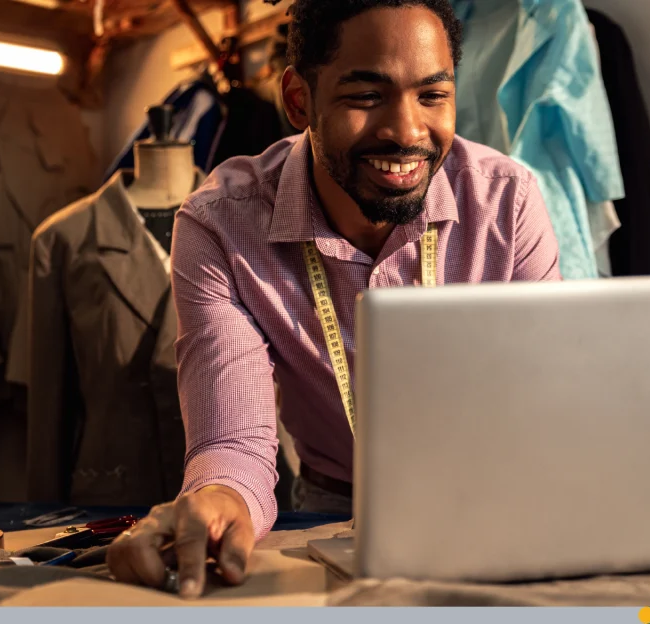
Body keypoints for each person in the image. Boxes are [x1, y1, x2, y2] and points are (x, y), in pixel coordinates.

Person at [107, 0, 562, 598]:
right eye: (366, 96)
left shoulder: (507, 202)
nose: (406, 131)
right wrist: (218, 498)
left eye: (432, 95)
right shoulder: (222, 226)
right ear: (299, 101)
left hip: (491, 496)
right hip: (330, 506)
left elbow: (547, 400)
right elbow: (232, 442)